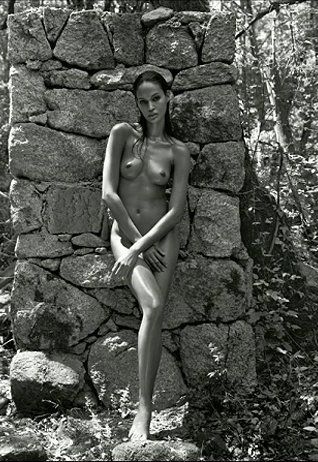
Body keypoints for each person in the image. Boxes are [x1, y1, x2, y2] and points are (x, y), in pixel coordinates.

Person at [101, 70, 191, 441]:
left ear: (168, 97)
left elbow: (176, 210)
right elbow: (109, 194)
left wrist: (145, 245)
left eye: (156, 98)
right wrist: (136, 243)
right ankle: (144, 409)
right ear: (136, 104)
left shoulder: (178, 151)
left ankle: (146, 406)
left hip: (161, 241)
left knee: (155, 314)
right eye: (143, 100)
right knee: (151, 305)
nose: (150, 106)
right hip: (125, 236)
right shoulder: (123, 134)